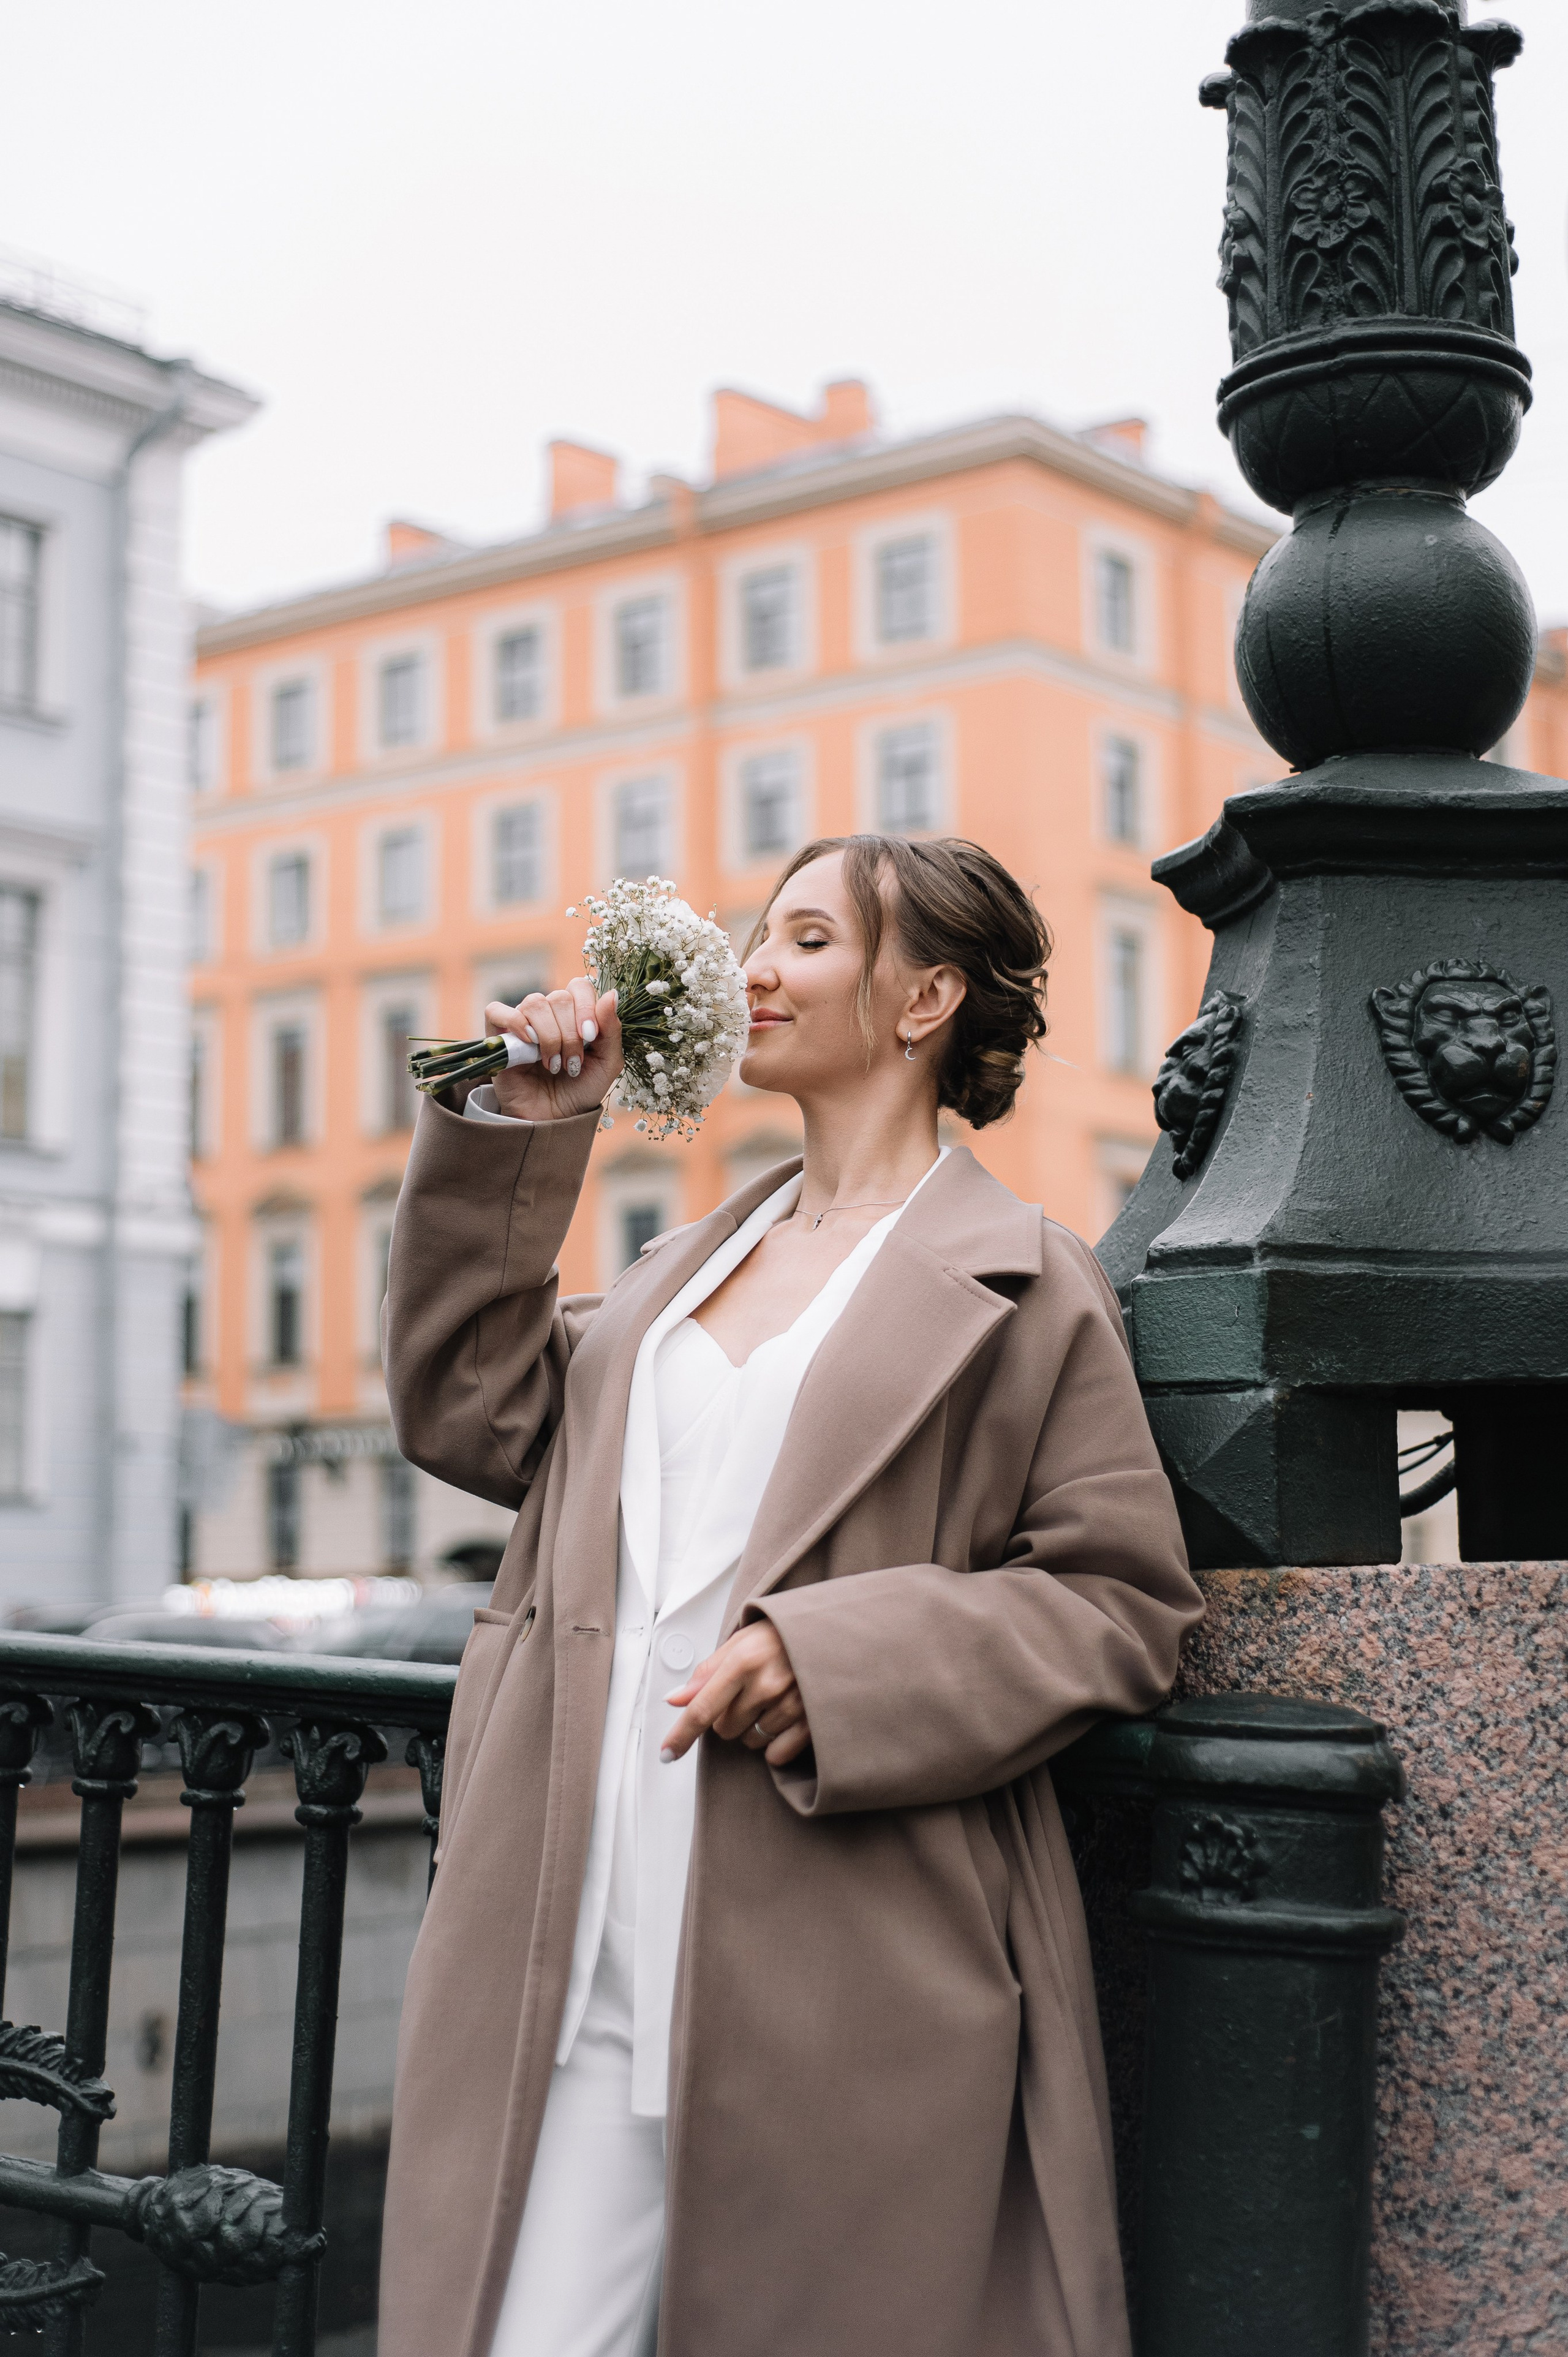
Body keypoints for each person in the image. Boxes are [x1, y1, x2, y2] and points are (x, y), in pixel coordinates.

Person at [377, 833, 1203, 2357]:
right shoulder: (672, 1271)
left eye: (806, 940)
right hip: (571, 1933)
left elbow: (1115, 1597)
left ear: (924, 997)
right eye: (762, 934)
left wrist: (834, 1657)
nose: (748, 969)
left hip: (834, 1964)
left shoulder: (1026, 1278)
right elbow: (464, 1413)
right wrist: (526, 1128)